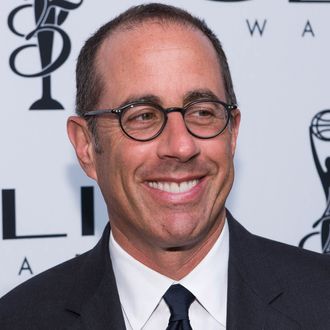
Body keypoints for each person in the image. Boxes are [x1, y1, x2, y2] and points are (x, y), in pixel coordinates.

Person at [1, 3, 330, 329]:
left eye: (202, 112)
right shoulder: (19, 320)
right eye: (142, 116)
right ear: (86, 146)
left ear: (232, 132)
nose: (182, 146)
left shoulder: (321, 298)